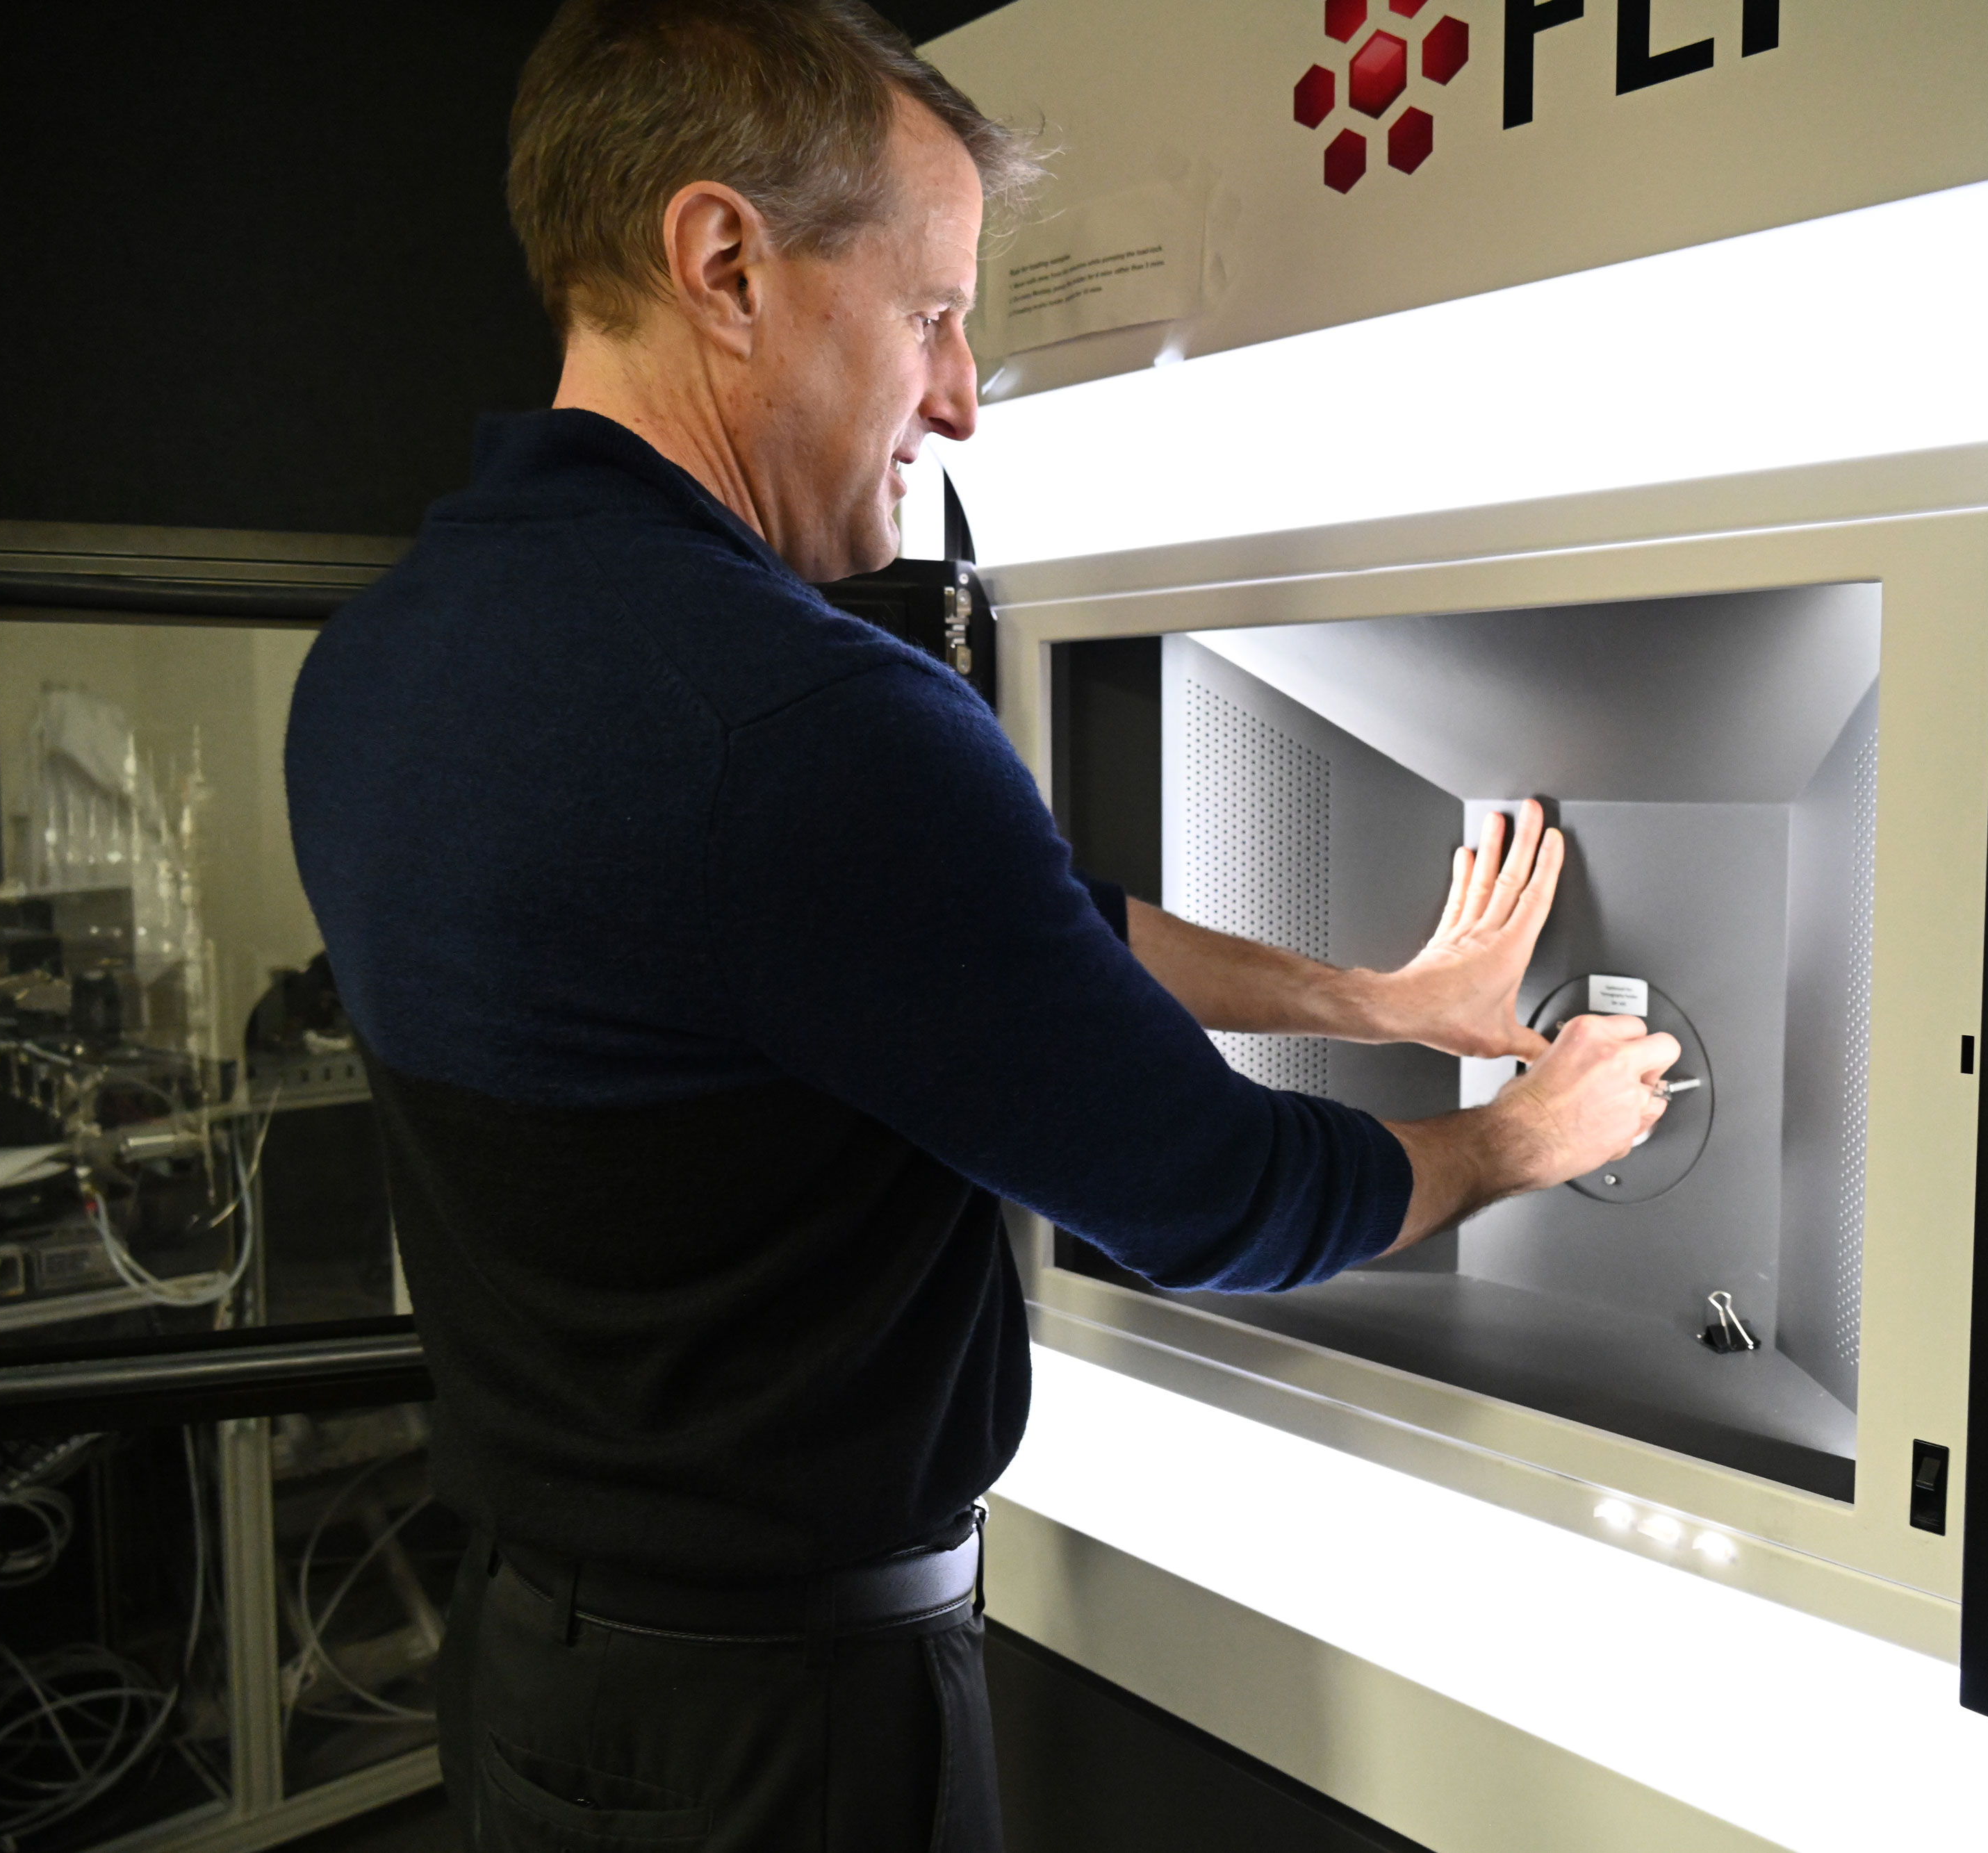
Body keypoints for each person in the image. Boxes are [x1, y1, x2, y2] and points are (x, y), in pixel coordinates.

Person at [284, 3, 1677, 1847]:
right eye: (934, 311)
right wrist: (1525, 1137)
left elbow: (979, 938)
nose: (955, 397)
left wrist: (1379, 996)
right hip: (790, 1739)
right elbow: (1217, 1197)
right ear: (726, 265)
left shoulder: (378, 665)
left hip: (535, 1689)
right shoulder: (804, 723)